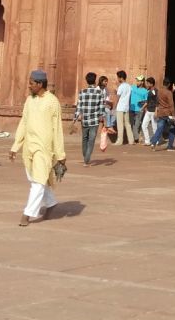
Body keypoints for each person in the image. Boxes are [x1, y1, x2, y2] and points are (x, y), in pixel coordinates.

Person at [10, 69, 66, 225]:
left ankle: (27, 214)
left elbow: (57, 129)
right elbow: (24, 122)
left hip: (44, 148)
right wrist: (16, 145)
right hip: (29, 146)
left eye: (31, 83)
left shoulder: (52, 101)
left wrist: (60, 154)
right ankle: (51, 202)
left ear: (40, 84)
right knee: (35, 178)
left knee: (38, 182)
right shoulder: (30, 100)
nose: (29, 86)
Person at [72, 71, 108, 167]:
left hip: (85, 119)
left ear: (86, 81)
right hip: (95, 120)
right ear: (95, 80)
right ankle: (87, 157)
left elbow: (79, 107)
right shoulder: (99, 92)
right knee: (91, 139)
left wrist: (74, 119)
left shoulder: (82, 92)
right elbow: (102, 107)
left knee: (85, 138)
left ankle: (85, 156)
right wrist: (103, 118)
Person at [152, 79, 175, 150]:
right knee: (173, 128)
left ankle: (153, 143)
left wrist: (156, 111)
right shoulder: (168, 92)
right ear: (169, 84)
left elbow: (157, 102)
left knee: (159, 128)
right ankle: (170, 146)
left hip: (161, 112)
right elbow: (171, 104)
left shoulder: (159, 91)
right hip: (168, 113)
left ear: (163, 83)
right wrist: (174, 115)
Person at [113, 70, 133, 145]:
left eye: (118, 77)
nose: (118, 79)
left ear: (121, 78)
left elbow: (118, 98)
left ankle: (119, 141)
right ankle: (131, 140)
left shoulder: (121, 86)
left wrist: (114, 107)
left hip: (120, 107)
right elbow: (128, 97)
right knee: (127, 124)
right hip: (126, 107)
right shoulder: (129, 86)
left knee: (120, 125)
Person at [141, 76, 160, 144]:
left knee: (154, 127)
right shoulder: (148, 91)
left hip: (153, 111)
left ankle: (156, 141)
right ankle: (147, 141)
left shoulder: (155, 91)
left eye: (148, 83)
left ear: (152, 84)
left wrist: (156, 111)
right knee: (143, 125)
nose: (147, 85)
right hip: (148, 111)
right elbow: (147, 102)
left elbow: (157, 102)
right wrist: (143, 108)